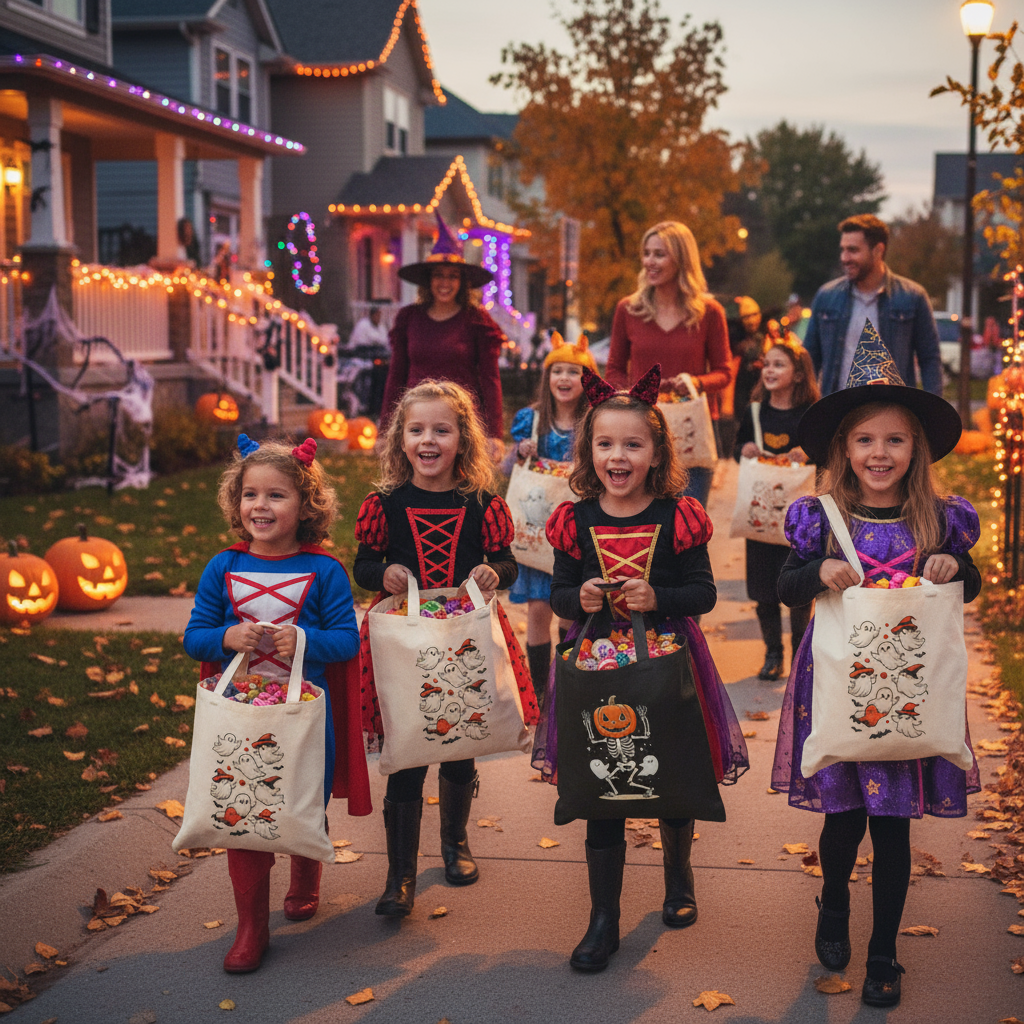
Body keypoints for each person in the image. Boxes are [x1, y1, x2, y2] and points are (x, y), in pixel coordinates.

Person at [771, 323, 980, 1008]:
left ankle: (883, 952)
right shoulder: (821, 518)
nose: (879, 452)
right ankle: (834, 903)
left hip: (910, 692)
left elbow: (966, 584)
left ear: (915, 446)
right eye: (865, 440)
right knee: (843, 820)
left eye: (893, 439)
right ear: (844, 448)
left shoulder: (938, 520)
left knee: (894, 826)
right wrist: (820, 570)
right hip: (838, 687)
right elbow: (785, 584)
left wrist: (956, 565)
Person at [536, 364, 748, 972]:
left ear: (656, 452)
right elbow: (557, 593)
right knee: (602, 785)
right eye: (605, 443)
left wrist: (660, 597)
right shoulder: (573, 521)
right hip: (597, 670)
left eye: (633, 444)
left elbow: (703, 593)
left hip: (668, 664)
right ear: (588, 449)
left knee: (673, 769)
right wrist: (581, 599)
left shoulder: (676, 515)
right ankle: (604, 918)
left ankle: (678, 875)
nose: (618, 455)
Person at [353, 380, 539, 918]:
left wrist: (492, 571)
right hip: (405, 641)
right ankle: (400, 875)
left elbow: (506, 562)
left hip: (465, 636)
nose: (428, 440)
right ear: (401, 439)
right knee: (409, 752)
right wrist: (380, 571)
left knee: (460, 742)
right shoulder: (384, 504)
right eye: (417, 430)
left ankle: (455, 844)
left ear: (462, 439)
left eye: (441, 429)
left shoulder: (481, 503)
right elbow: (364, 563)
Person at [183, 435, 369, 973]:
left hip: (305, 715)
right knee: (242, 811)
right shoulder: (223, 567)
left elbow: (346, 641)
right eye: (250, 495)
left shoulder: (326, 571)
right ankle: (251, 926)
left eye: (276, 496)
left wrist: (302, 640)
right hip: (240, 713)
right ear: (236, 503)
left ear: (306, 506)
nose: (260, 506)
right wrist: (226, 638)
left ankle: (306, 870)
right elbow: (195, 636)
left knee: (300, 802)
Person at [606, 221, 732, 509]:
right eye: (647, 253)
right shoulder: (628, 309)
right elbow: (613, 369)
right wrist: (633, 391)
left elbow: (724, 372)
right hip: (640, 428)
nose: (650, 261)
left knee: (689, 525)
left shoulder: (709, 313)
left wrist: (696, 382)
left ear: (681, 259)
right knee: (643, 524)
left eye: (659, 254)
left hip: (693, 430)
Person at [508, 333, 596, 702]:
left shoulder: (593, 421)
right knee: (538, 609)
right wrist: (520, 449)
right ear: (546, 378)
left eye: (573, 372)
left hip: (573, 533)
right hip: (535, 530)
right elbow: (510, 464)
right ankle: (542, 690)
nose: (564, 378)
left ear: (587, 379)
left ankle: (569, 682)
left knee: (570, 609)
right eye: (557, 371)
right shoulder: (531, 421)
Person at [380, 214, 505, 452]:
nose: (445, 283)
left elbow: (491, 379)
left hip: (460, 423)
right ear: (428, 280)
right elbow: (396, 376)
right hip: (416, 420)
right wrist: (385, 429)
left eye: (453, 276)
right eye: (438, 275)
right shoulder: (409, 319)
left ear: (463, 282)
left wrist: (494, 433)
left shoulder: (477, 321)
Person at [734, 337, 820, 680]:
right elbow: (735, 447)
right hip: (760, 515)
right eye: (766, 364)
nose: (770, 370)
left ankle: (801, 656)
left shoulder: (810, 415)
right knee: (763, 588)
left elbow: (827, 456)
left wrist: (809, 453)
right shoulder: (755, 412)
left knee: (798, 588)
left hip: (798, 519)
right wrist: (745, 448)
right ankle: (773, 653)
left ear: (799, 375)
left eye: (779, 364)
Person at [804, 214, 942, 397]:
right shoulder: (827, 296)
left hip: (892, 411)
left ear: (878, 251)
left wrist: (931, 415)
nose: (845, 258)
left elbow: (930, 359)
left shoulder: (912, 297)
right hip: (837, 411)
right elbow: (809, 359)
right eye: (843, 250)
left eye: (852, 250)